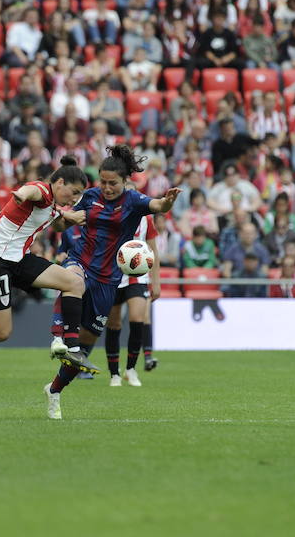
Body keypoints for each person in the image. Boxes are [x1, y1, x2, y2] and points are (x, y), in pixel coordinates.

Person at [46, 145, 180, 419]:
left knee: (84, 347)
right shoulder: (90, 197)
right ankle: (58, 337)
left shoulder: (133, 201)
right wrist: (63, 217)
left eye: (112, 183)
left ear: (124, 181)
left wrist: (167, 202)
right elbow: (61, 227)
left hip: (109, 280)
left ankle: (54, 389)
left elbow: (158, 206)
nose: (106, 188)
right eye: (103, 182)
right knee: (71, 280)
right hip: (80, 261)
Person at [0, 157, 90, 397]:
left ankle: (73, 347)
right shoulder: (43, 191)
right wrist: (22, 193)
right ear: (60, 181)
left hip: (19, 260)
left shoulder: (53, 205)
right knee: (2, 332)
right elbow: (30, 191)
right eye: (73, 192)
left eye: (78, 196)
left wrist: (68, 217)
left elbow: (57, 226)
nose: (75, 199)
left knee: (74, 282)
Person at [104, 210, 161, 387]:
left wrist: (156, 281)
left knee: (137, 318)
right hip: (113, 276)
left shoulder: (146, 219)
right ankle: (114, 373)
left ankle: (131, 369)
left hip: (138, 277)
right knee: (114, 324)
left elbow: (153, 251)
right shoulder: (110, 215)